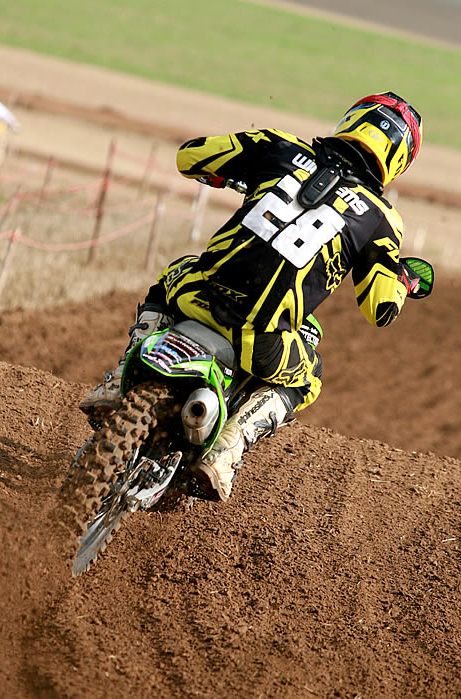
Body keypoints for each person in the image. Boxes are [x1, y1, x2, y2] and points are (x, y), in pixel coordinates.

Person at [80, 91, 427, 502]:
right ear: (399, 159)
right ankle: (229, 447)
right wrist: (404, 281)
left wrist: (237, 175)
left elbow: (189, 157)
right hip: (262, 339)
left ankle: (119, 379)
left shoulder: (277, 146)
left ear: (352, 120)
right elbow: (380, 309)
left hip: (199, 297)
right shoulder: (382, 220)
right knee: (309, 377)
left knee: (175, 272)